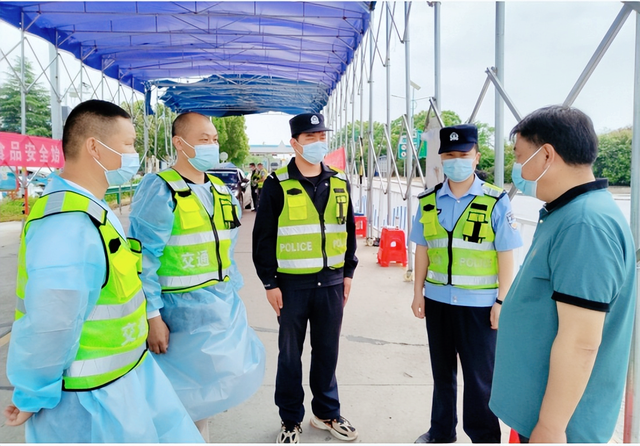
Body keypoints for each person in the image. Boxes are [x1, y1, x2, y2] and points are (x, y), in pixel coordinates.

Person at [3, 99, 203, 443]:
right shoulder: (67, 223)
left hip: (118, 385)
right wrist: (33, 393)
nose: (134, 154)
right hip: (87, 402)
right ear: (94, 147)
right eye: (128, 144)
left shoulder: (90, 209)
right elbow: (52, 322)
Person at [489, 106, 637, 443]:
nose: (517, 168)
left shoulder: (586, 225)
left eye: (519, 156)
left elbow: (580, 341)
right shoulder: (568, 212)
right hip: (537, 413)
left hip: (561, 427)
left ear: (546, 155)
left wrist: (551, 427)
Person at [129, 112, 266, 441]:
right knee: (175, 400)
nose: (212, 145)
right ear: (180, 143)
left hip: (219, 310)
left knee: (206, 397)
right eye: (203, 139)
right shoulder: (161, 189)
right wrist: (152, 316)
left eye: (214, 139)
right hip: (176, 316)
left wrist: (232, 300)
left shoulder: (220, 190)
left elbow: (226, 253)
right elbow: (143, 258)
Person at [410, 123, 522, 443]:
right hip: (438, 302)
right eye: (449, 155)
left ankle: (484, 438)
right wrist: (418, 292)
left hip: (479, 306)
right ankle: (441, 432)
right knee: (442, 373)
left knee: (479, 379)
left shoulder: (495, 200)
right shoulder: (428, 200)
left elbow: (506, 255)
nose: (456, 160)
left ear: (476, 157)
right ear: (441, 159)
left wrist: (501, 301)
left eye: (463, 154)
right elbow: (422, 250)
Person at [252, 113, 359, 444]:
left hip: (331, 283)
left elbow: (349, 230)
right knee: (289, 356)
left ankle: (326, 413)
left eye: (321, 136)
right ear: (294, 143)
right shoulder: (277, 184)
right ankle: (290, 419)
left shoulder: (339, 181)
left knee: (327, 352)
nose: (318, 142)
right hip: (291, 285)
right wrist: (269, 283)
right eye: (310, 137)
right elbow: (263, 238)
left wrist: (348, 272)